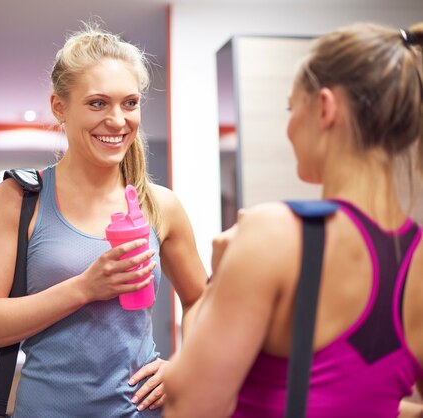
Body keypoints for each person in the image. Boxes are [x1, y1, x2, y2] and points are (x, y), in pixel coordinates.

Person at [164, 22, 423, 418]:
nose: (289, 126)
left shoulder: (276, 234)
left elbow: (190, 405)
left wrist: (213, 289)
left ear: (324, 107)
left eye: (291, 107)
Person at [0, 24, 207, 418]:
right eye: (97, 104)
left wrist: (187, 365)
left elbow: (201, 301)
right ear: (59, 107)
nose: (117, 120)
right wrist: (86, 287)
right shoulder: (19, 199)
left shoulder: (160, 206)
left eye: (130, 103)